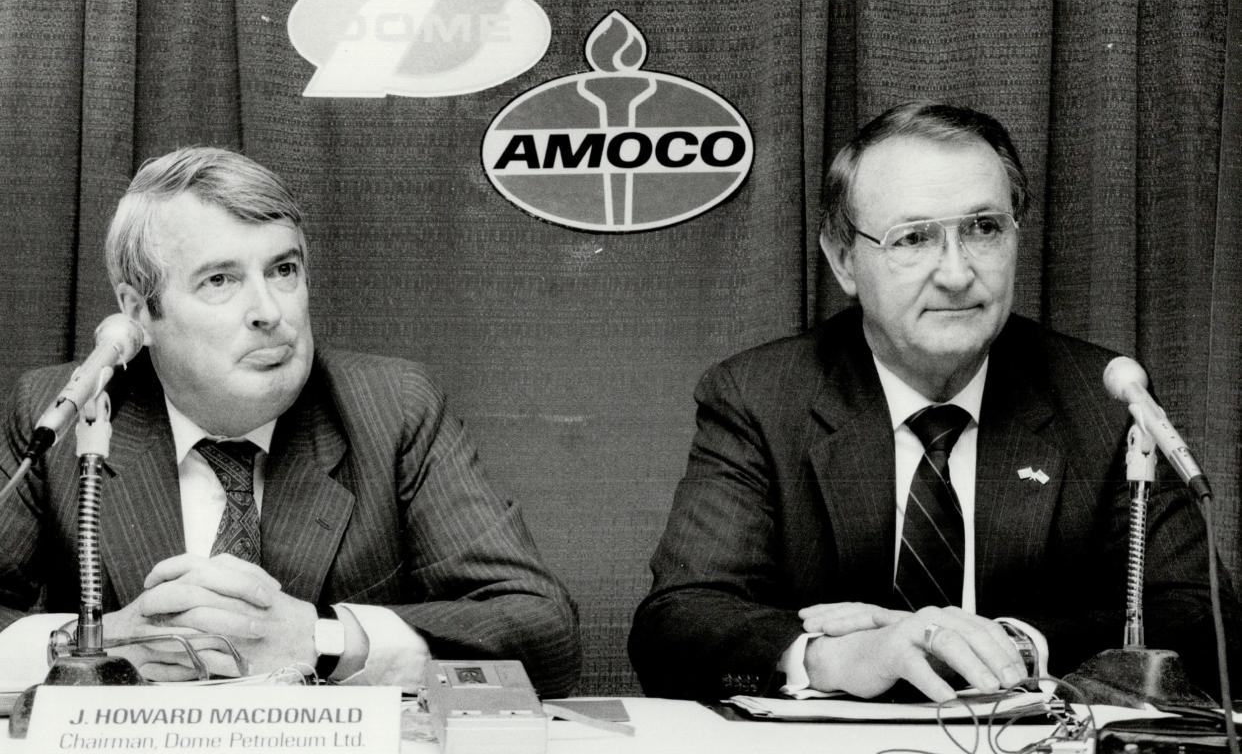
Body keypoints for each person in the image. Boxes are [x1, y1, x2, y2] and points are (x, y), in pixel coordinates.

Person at [629, 102, 1241, 702]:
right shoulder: (761, 397)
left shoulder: (1102, 397)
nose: (955, 273)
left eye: (983, 228)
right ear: (845, 260)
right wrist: (833, 656)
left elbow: (1202, 618)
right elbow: (676, 624)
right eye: (913, 237)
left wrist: (1011, 645)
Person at [0, 147, 580, 697]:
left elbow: (542, 633)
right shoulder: (63, 414)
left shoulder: (392, 408)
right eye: (219, 280)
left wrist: (322, 640)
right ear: (138, 311)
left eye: (283, 270)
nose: (270, 313)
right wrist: (89, 646)